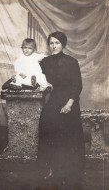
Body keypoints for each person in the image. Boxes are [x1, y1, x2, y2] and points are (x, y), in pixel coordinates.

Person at [37, 32, 85, 190]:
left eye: (57, 43)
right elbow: (38, 78)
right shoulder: (44, 61)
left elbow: (77, 85)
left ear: (63, 44)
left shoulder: (72, 62)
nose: (53, 46)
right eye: (51, 43)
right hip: (54, 100)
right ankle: (51, 170)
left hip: (70, 102)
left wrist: (69, 104)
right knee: (48, 131)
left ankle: (69, 174)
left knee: (68, 138)